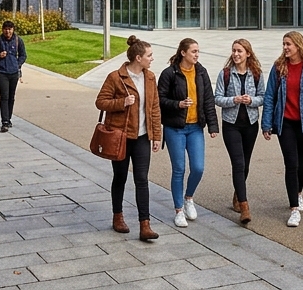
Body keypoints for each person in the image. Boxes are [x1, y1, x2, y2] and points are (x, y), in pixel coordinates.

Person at [95, 36, 162, 242]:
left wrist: (156, 135)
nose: (152, 59)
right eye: (149, 55)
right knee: (121, 177)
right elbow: (101, 102)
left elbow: (154, 108)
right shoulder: (116, 77)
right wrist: (122, 102)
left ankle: (145, 225)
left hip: (142, 137)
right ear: (138, 57)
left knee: (142, 179)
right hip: (121, 137)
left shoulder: (150, 78)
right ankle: (118, 216)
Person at [262, 31, 303, 228]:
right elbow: (269, 96)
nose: (285, 48)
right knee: (291, 164)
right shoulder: (279, 67)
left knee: (302, 163)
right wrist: (266, 124)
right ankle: (293, 209)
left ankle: (298, 193)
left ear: (298, 45)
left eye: (288, 44)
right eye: (283, 44)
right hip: (285, 123)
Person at [157, 38, 218, 228]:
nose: (197, 55)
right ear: (183, 53)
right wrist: (178, 104)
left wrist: (213, 126)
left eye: (198, 51)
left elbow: (208, 99)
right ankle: (178, 211)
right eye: (193, 51)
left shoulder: (201, 72)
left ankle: (188, 198)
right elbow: (159, 99)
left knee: (198, 168)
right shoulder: (170, 73)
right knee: (179, 169)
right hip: (175, 128)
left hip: (195, 128)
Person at [213, 39, 264, 225]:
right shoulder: (225, 74)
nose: (236, 54)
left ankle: (237, 194)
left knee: (246, 164)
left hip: (250, 124)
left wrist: (251, 100)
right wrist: (234, 99)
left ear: (248, 54)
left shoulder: (256, 74)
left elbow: (264, 97)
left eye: (239, 51)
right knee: (238, 163)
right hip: (231, 124)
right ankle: (244, 206)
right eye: (234, 51)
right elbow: (217, 98)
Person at [0, 20, 26, 132]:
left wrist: (17, 64)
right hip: (2, 72)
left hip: (14, 72)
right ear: (2, 29)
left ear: (13, 30)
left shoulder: (18, 41)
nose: (7, 31)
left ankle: (9, 118)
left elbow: (23, 55)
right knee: (4, 96)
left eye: (9, 29)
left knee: (11, 96)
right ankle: (4, 121)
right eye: (5, 29)